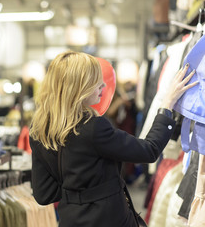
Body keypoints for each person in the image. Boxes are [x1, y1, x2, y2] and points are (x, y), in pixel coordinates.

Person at [29, 50, 198, 227]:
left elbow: (43, 194)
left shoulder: (39, 130)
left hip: (70, 220)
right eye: (95, 80)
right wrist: (167, 105)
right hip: (108, 219)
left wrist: (76, 193)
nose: (102, 85)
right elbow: (149, 150)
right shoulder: (93, 127)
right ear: (79, 87)